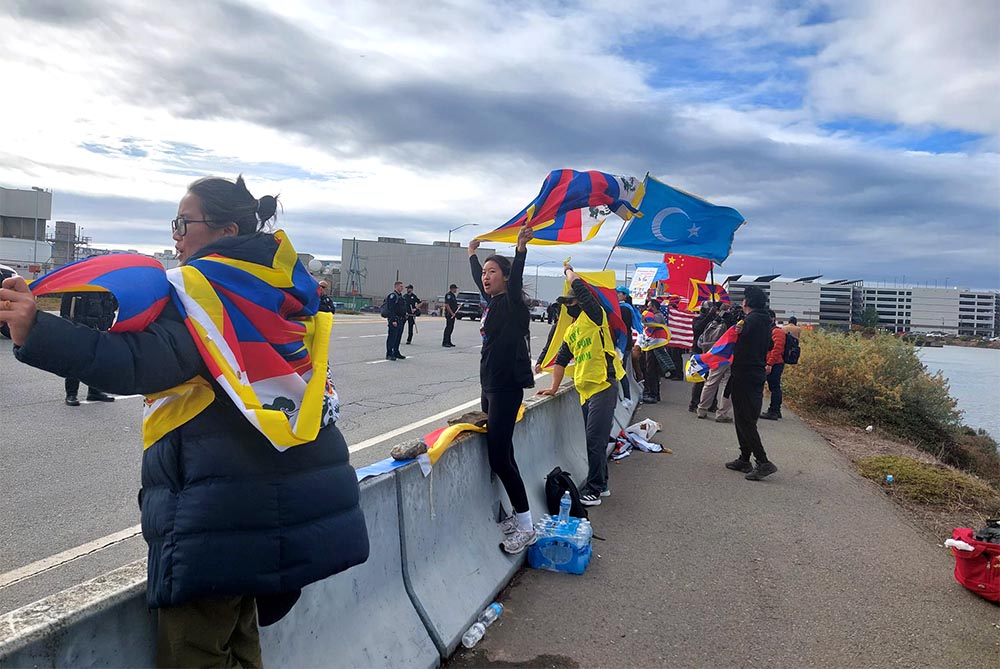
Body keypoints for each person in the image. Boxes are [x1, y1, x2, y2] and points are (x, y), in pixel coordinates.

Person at [0, 175, 369, 667]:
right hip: (271, 509)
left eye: (182, 223)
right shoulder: (279, 290)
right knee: (240, 642)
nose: (175, 236)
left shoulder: (205, 294)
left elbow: (139, 361)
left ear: (225, 229)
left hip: (217, 516)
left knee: (195, 652)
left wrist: (36, 329)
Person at [468, 224, 537, 554]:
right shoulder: (492, 303)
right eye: (484, 273)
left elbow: (517, 280)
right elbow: (478, 280)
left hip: (507, 388)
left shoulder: (511, 304)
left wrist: (520, 250)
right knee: (501, 453)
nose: (485, 277)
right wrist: (472, 256)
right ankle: (516, 516)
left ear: (506, 278)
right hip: (490, 387)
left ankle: (526, 526)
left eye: (492, 272)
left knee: (500, 457)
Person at [538, 264, 625, 507]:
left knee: (593, 440)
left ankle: (594, 489)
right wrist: (554, 388)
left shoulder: (595, 316)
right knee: (595, 438)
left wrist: (569, 272)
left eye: (571, 301)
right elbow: (561, 360)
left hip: (603, 384)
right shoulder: (572, 331)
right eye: (566, 303)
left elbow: (582, 290)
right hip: (585, 391)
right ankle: (603, 483)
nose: (569, 306)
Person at [725, 286, 778, 481]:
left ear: (747, 302)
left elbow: (741, 341)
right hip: (755, 372)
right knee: (743, 417)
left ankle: (763, 462)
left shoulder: (752, 320)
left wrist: (739, 330)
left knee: (745, 419)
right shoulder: (765, 320)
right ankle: (744, 458)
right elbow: (770, 345)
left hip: (745, 373)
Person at [60, 291, 118, 406]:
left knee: (98, 360)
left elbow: (113, 305)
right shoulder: (79, 284)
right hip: (80, 327)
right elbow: (66, 307)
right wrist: (68, 326)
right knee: (76, 360)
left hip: (101, 327)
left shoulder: (107, 287)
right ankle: (71, 393)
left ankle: (95, 391)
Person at [696, 306, 737, 423]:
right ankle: (722, 413)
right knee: (727, 385)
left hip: (716, 355)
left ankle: (702, 409)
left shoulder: (715, 322)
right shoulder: (733, 325)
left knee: (710, 382)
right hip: (729, 356)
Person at [688, 302, 717, 411]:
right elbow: (698, 327)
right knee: (699, 379)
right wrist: (710, 315)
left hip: (711, 352)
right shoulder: (697, 320)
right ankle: (694, 403)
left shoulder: (715, 321)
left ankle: (712, 403)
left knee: (713, 380)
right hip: (698, 352)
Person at [761, 309, 787, 420]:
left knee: (775, 387)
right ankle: (776, 410)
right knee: (774, 387)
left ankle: (774, 411)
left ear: (773, 318)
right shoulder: (769, 330)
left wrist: (769, 364)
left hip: (775, 363)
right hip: (772, 362)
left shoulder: (777, 332)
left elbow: (777, 349)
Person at [384, 280, 407, 360]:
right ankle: (389, 353)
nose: (402, 288)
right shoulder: (393, 296)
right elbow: (391, 309)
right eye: (400, 286)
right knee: (392, 337)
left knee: (398, 337)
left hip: (401, 319)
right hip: (394, 319)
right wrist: (393, 320)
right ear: (396, 286)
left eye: (402, 286)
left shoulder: (401, 297)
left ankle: (396, 352)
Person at [442, 283, 458, 347]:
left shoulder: (453, 295)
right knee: (448, 328)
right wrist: (452, 313)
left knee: (451, 328)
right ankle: (445, 342)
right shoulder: (448, 295)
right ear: (452, 289)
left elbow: (453, 305)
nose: (456, 290)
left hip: (453, 314)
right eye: (455, 288)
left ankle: (449, 341)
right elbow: (447, 305)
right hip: (449, 314)